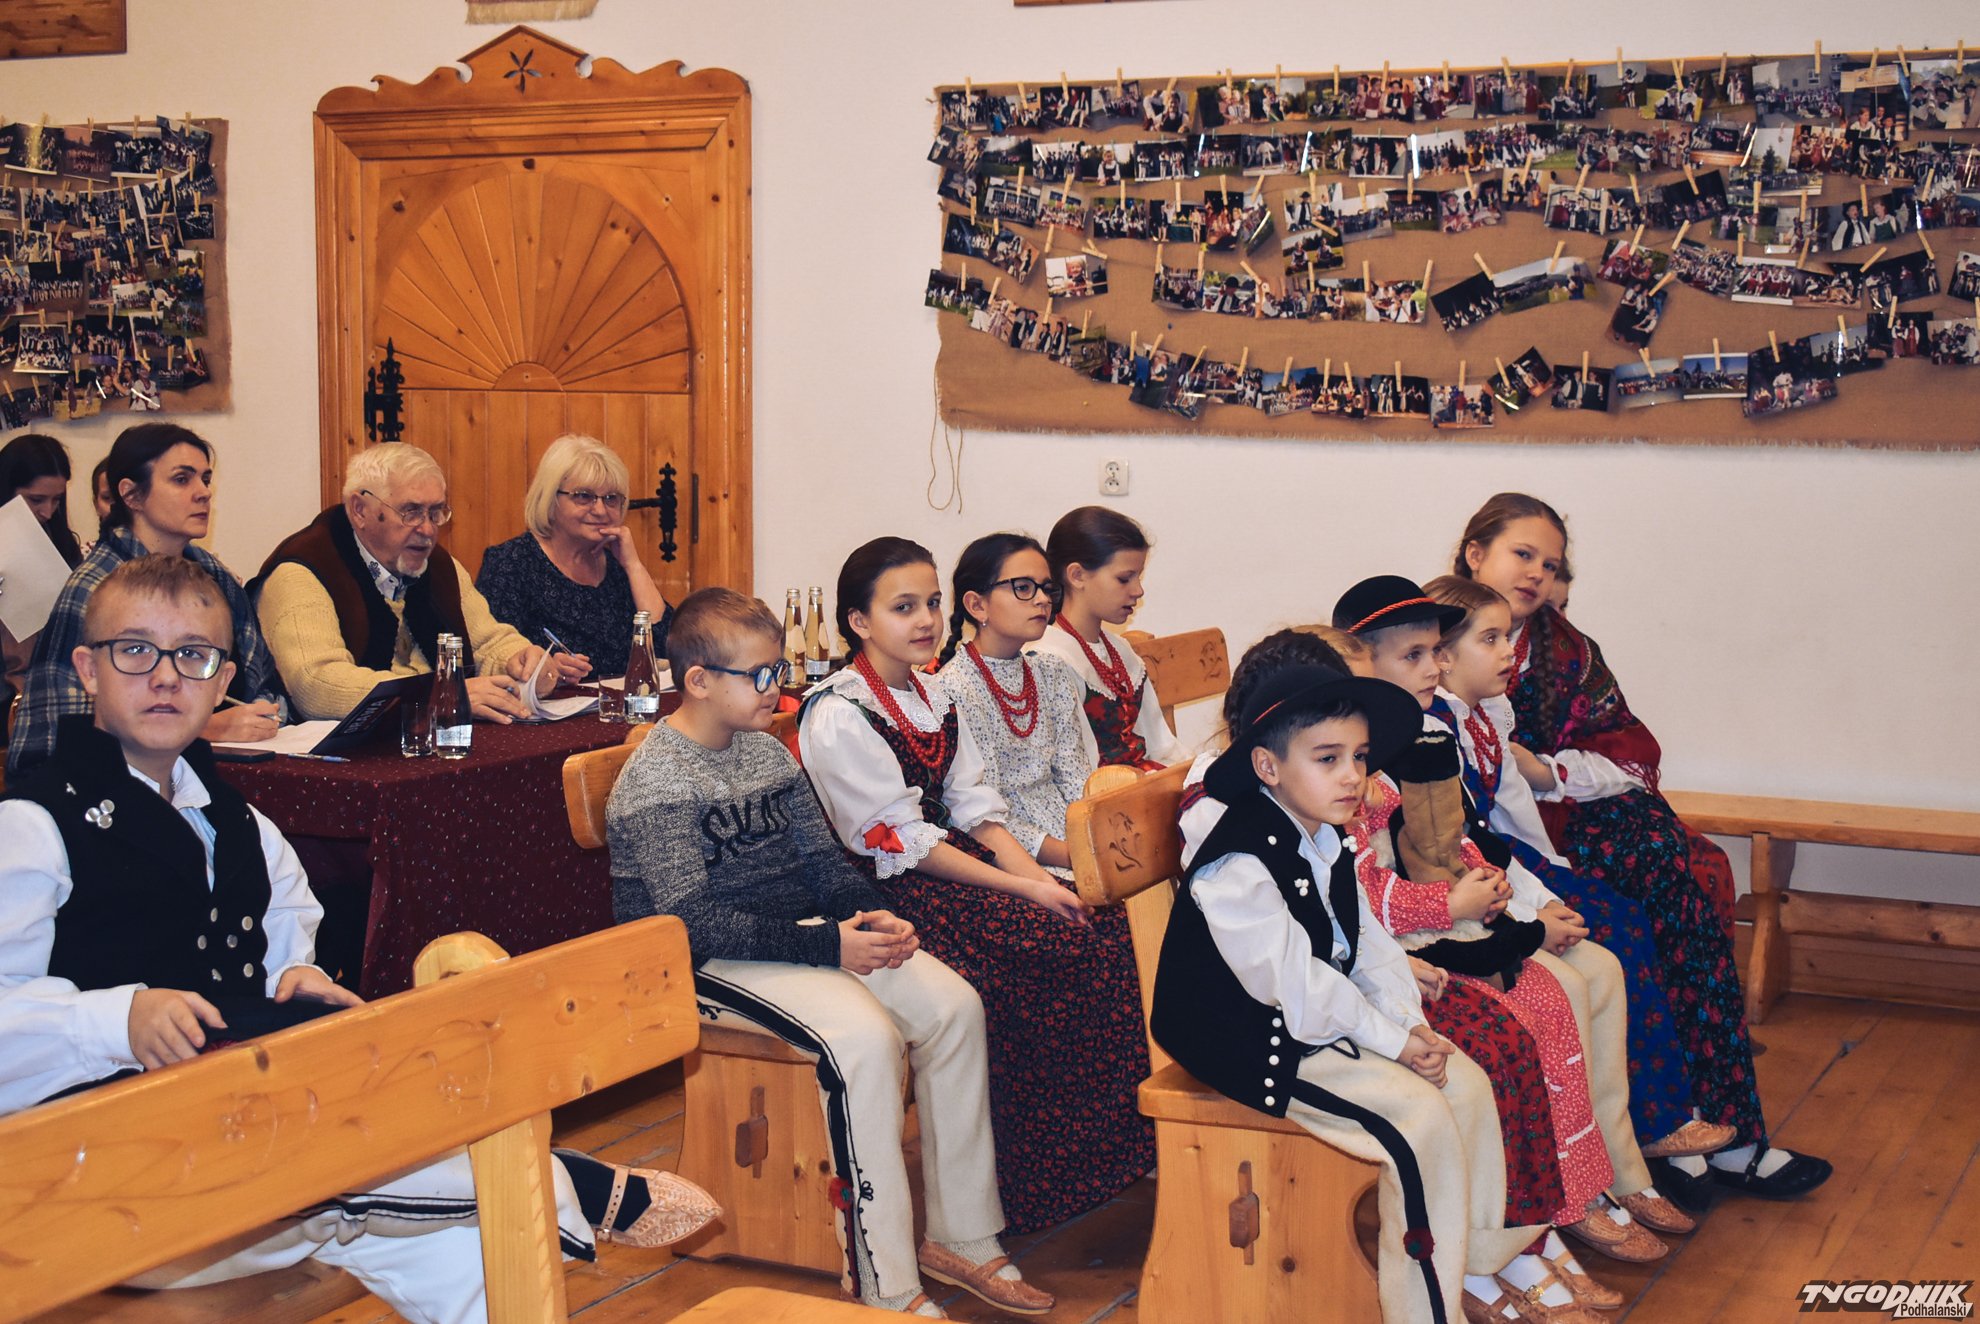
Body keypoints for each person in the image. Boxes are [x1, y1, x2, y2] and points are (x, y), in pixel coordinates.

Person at [0, 556, 717, 1324]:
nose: (167, 677)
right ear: (88, 669)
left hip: (250, 1127)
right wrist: (118, 1019)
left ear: (224, 680)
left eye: (194, 657)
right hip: (93, 1169)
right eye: (136, 651)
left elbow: (284, 945)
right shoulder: (34, 825)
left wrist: (298, 980)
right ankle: (558, 1174)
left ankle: (517, 1173)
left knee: (468, 1246)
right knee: (414, 1180)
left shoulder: (241, 822)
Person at [606, 587, 1052, 1318]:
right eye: (759, 675)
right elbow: (692, 922)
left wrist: (870, 915)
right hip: (698, 962)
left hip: (796, 938)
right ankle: (885, 1285)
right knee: (865, 1042)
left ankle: (963, 1238)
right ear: (699, 681)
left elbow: (820, 861)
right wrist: (828, 946)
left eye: (778, 670)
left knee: (954, 1008)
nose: (775, 687)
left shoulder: (764, 751)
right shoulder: (657, 780)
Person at [1154, 650, 1596, 1324]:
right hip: (1251, 1043)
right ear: (1268, 767)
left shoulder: (1325, 837)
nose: (1352, 776)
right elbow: (1298, 989)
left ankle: (1482, 1262)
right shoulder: (1238, 862)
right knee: (1417, 1125)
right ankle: (1427, 1311)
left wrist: (1409, 1024)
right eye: (1327, 758)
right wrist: (1392, 1042)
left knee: (1464, 1082)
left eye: (1359, 757)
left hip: (1317, 1019)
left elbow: (1367, 946)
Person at [1425, 569, 1833, 1207]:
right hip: (1489, 878)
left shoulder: (1535, 679)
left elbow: (1576, 781)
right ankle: (1645, 1136)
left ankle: (1690, 1126)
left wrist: (1552, 866)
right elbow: (1468, 836)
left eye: (1552, 566)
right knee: (1618, 926)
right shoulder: (1432, 723)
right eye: (1522, 555)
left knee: (1670, 889)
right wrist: (1540, 901)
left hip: (1532, 855)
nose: (1538, 576)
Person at [1335, 578, 1713, 1243]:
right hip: (1420, 941)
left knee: (1601, 968)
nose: (1433, 667)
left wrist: (1533, 905)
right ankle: (1551, 1204)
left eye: (1435, 651)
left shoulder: (1421, 738)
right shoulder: (1364, 766)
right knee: (1558, 990)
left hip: (1452, 918)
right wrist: (1519, 923)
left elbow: (1474, 840)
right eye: (1414, 656)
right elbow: (1375, 888)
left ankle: (1614, 1166)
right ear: (1362, 666)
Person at [801, 538, 1155, 1236]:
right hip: (888, 888)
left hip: (954, 860)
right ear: (859, 622)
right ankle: (1037, 1175)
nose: (925, 620)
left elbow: (977, 812)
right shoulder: (839, 712)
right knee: (1050, 952)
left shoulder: (930, 694)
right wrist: (1023, 894)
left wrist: (1044, 885)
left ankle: (1110, 1151)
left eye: (931, 603)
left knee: (1101, 927)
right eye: (903, 607)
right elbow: (899, 840)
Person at [8, 425, 282, 778]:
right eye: (182, 479)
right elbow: (53, 745)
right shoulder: (94, 589)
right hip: (113, 796)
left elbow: (265, 680)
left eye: (205, 479)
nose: (204, 493)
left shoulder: (214, 577)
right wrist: (202, 729)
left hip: (223, 778)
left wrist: (261, 712)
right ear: (131, 495)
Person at [253, 443, 583, 723]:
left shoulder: (440, 566)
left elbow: (487, 642)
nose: (427, 529)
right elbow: (316, 685)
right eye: (410, 512)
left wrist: (525, 661)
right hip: (341, 762)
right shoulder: (301, 573)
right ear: (360, 510)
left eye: (436, 512)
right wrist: (440, 694)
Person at [476, 434, 673, 678]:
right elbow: (493, 658)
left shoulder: (618, 566)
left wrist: (634, 566)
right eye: (583, 496)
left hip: (623, 700)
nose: (600, 510)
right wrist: (548, 669)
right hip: (546, 701)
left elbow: (666, 647)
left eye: (611, 498)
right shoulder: (511, 563)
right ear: (550, 499)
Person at [1028, 506, 1184, 770]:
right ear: (1077, 575)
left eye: (1138, 577)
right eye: (1124, 579)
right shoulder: (1047, 659)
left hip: (1141, 782)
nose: (1138, 590)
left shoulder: (1120, 650)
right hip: (1102, 790)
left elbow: (1161, 746)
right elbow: (1071, 769)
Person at [2, 435, 86, 728]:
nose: (48, 512)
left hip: (54, 685)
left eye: (57, 500)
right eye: (36, 500)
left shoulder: (62, 545)